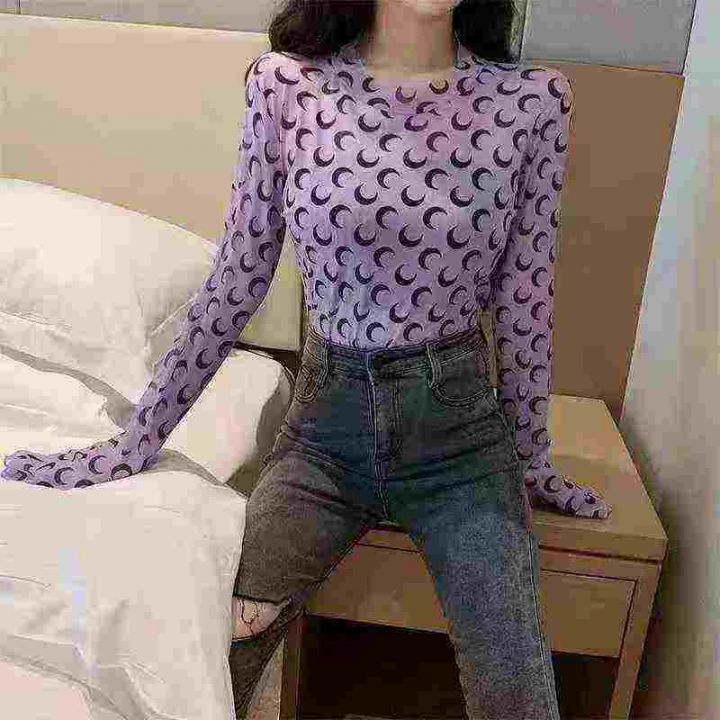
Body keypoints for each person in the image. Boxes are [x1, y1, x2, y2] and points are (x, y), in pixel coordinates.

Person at [1, 0, 613, 716]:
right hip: (324, 440)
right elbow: (237, 279)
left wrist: (532, 458)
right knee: (201, 657)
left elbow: (524, 299)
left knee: (516, 684)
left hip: (461, 446)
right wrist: (137, 439)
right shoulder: (288, 87)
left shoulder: (531, 103)